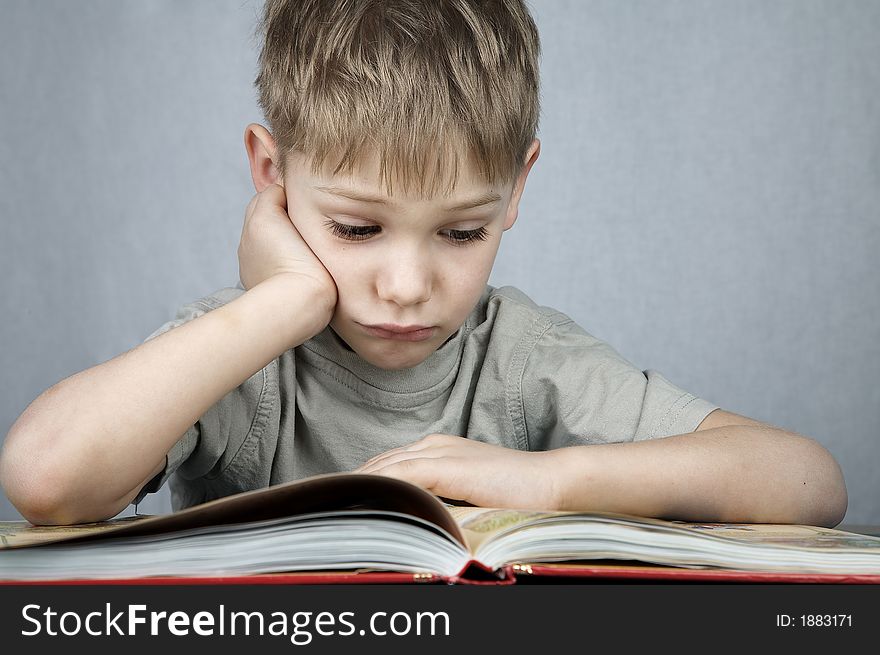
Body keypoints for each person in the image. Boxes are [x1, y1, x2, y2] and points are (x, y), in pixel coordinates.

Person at [0, 0, 847, 528]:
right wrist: (285, 301)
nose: (407, 287)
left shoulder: (519, 359)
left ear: (515, 189)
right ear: (273, 175)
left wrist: (545, 481)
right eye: (358, 228)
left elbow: (807, 479)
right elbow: (44, 476)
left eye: (461, 233)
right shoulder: (240, 356)